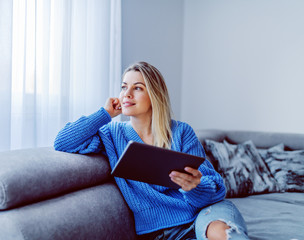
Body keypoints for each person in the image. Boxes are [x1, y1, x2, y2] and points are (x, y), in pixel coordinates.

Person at [54, 62, 249, 240]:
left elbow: (216, 188)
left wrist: (195, 186)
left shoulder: (180, 132)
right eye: (124, 87)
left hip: (205, 215)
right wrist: (104, 114)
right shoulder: (111, 135)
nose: (127, 94)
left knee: (219, 233)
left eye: (137, 88)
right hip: (159, 233)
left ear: (155, 95)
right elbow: (63, 142)